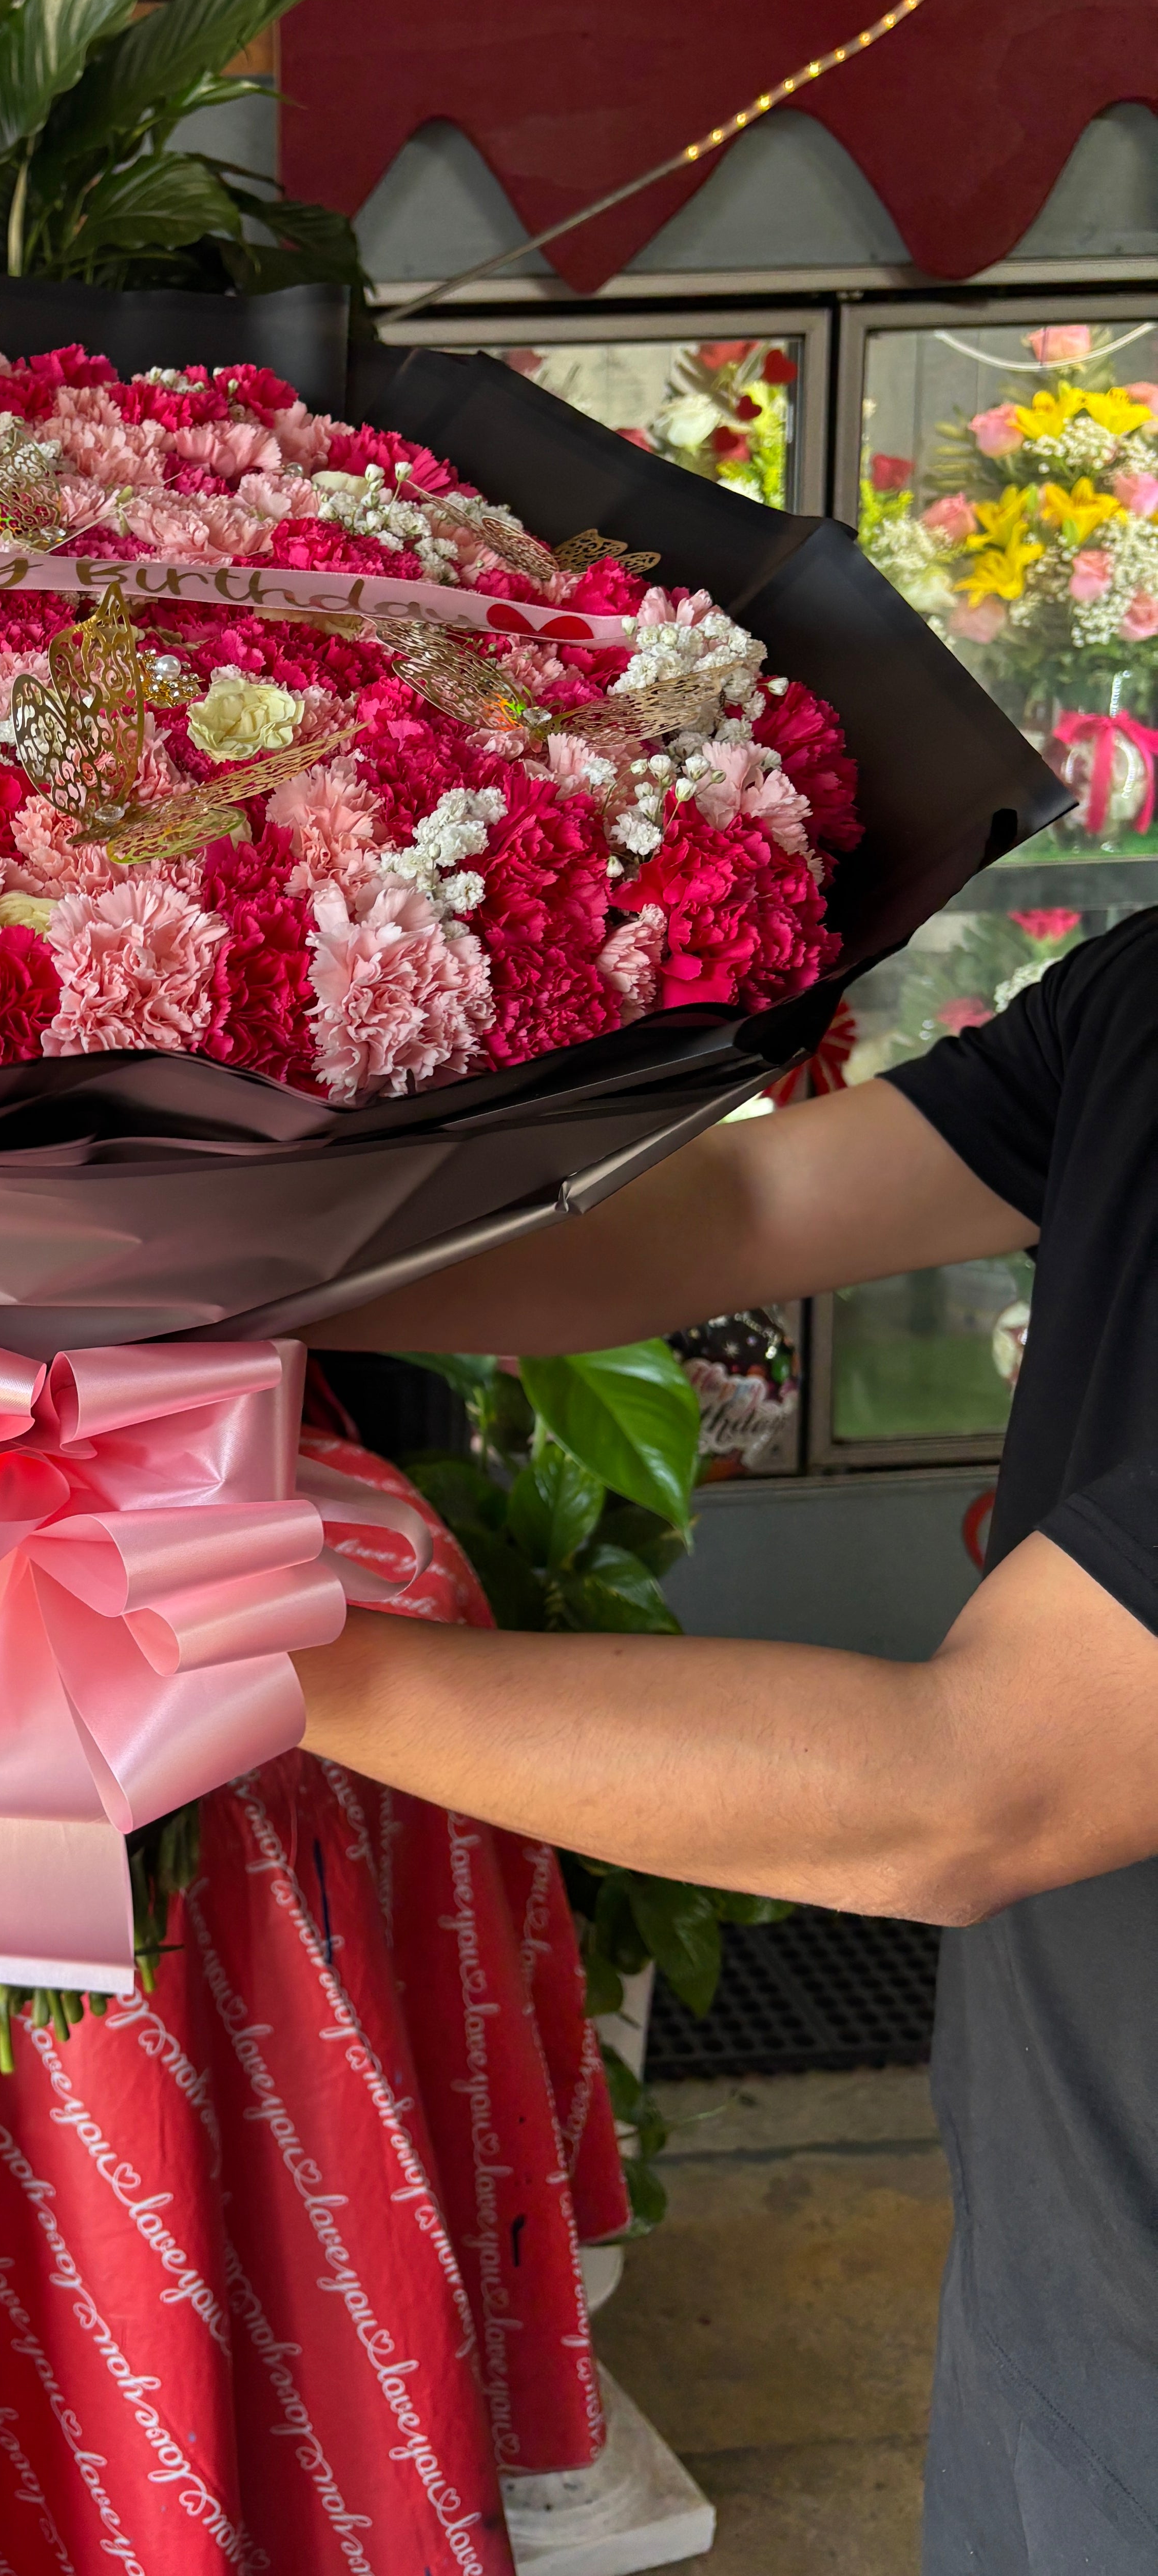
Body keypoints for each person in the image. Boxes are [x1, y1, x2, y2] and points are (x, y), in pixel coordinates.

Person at [299, 915, 1158, 2576]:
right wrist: (197, 1273)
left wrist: (203, 1651)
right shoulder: (1141, 991)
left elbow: (966, 1784)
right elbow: (743, 1206)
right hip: (1061, 2209)